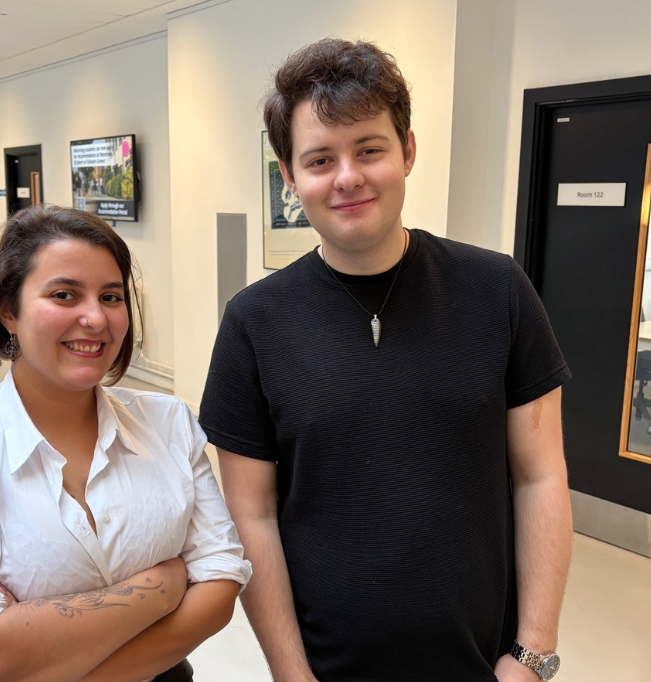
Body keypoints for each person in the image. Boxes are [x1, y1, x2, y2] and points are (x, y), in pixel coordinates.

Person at [199, 39, 572, 682]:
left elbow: (541, 477)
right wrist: (292, 675)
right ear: (288, 176)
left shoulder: (498, 290)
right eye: (320, 159)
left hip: (481, 662)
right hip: (327, 666)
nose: (348, 177)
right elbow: (250, 515)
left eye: (369, 148)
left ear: (408, 150)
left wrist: (532, 656)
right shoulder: (254, 323)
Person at [0, 205, 251, 682]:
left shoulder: (168, 423)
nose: (95, 318)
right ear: (7, 310)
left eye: (111, 297)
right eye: (64, 294)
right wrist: (165, 583)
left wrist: (34, 643)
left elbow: (219, 586)